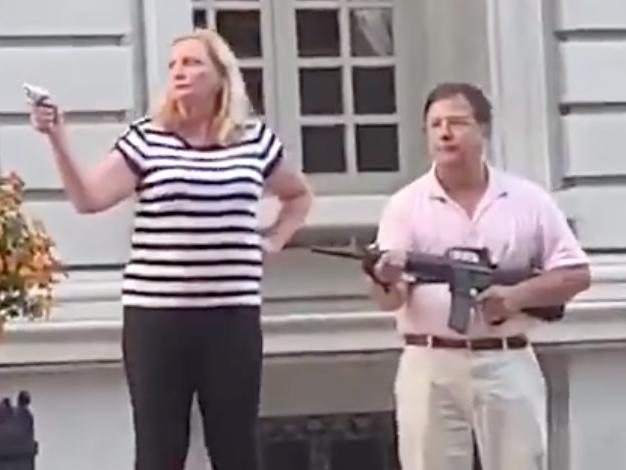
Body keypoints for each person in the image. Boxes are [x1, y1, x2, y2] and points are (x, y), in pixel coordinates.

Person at [30, 28, 313, 470]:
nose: (180, 72)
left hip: (231, 316)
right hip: (157, 318)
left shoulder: (253, 140)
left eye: (192, 62)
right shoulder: (147, 138)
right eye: (174, 65)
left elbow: (298, 196)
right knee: (160, 450)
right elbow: (89, 198)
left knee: (235, 447)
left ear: (221, 75)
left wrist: (274, 238)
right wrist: (57, 138)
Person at [367, 82, 590, 470]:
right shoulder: (405, 205)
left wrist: (515, 297)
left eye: (457, 122)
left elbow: (576, 274)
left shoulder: (527, 199)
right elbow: (391, 299)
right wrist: (384, 277)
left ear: (483, 130)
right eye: (435, 124)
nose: (445, 132)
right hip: (429, 362)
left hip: (506, 360)